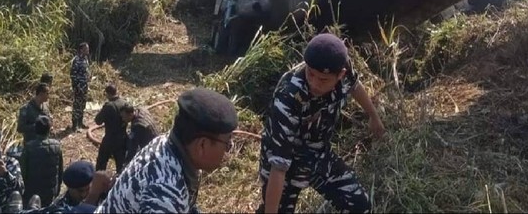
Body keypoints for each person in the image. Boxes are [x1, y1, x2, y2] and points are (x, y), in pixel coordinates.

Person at [257, 33, 386, 213]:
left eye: (323, 80)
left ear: (340, 74)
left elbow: (354, 86)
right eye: (311, 74)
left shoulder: (343, 68)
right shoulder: (288, 98)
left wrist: (373, 115)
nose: (315, 84)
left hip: (318, 154)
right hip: (286, 163)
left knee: (360, 206)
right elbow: (278, 167)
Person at [95, 88, 238, 213]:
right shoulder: (165, 195)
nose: (228, 149)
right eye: (227, 143)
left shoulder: (170, 144)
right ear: (202, 145)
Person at [21, 115, 63, 207]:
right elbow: (60, 171)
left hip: (32, 192)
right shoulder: (57, 146)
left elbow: (23, 172)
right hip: (51, 192)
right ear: (49, 129)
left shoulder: (28, 147)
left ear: (35, 129)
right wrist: (57, 189)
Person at [94, 84, 127, 173]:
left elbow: (98, 121)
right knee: (121, 166)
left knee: (101, 163)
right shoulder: (124, 103)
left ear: (108, 94)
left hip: (110, 139)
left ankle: (99, 183)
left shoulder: (109, 106)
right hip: (123, 138)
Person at [70, 42, 90, 131]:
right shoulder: (76, 60)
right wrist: (76, 87)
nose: (88, 50)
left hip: (85, 86)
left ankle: (80, 122)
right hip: (78, 87)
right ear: (81, 49)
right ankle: (75, 125)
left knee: (82, 104)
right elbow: (73, 75)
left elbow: (86, 71)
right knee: (77, 105)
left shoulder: (85, 59)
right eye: (86, 49)